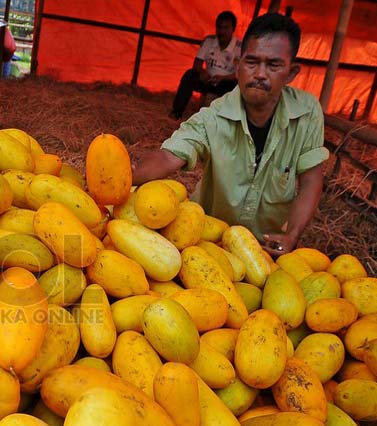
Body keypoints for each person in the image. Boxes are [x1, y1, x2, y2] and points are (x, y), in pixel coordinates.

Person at [133, 13, 329, 257]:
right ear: (237, 66)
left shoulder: (307, 112)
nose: (259, 73)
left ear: (291, 73)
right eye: (251, 62)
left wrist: (292, 235)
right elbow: (167, 157)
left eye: (273, 65)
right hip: (205, 242)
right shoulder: (213, 117)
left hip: (264, 249)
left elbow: (311, 181)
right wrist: (122, 182)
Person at [170, 11, 241, 119]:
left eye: (226, 28)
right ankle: (177, 112)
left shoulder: (240, 47)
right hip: (208, 81)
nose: (222, 31)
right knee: (190, 75)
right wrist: (203, 72)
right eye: (219, 27)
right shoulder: (209, 41)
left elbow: (241, 73)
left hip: (226, 84)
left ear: (233, 29)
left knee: (239, 86)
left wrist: (223, 78)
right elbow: (197, 63)